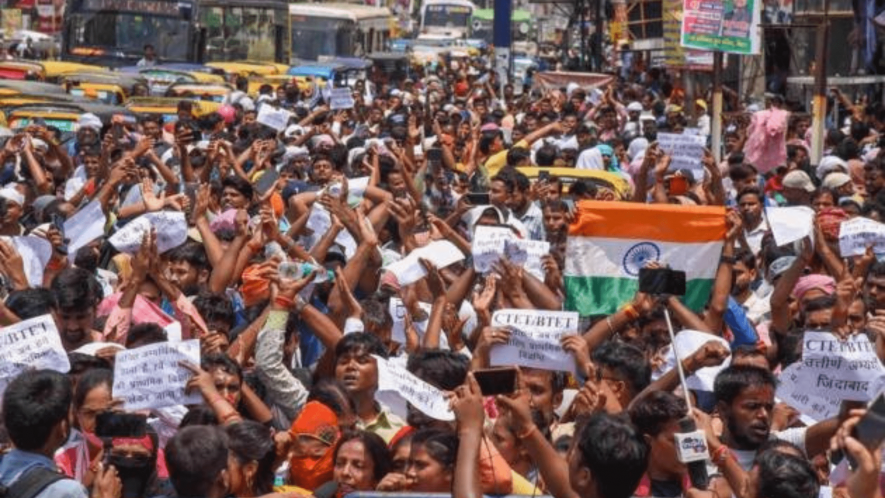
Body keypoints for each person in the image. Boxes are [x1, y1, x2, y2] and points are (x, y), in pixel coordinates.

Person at [0, 370, 121, 498]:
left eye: (106, 413)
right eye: (89, 413)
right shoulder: (66, 491)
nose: (98, 421)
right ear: (62, 427)